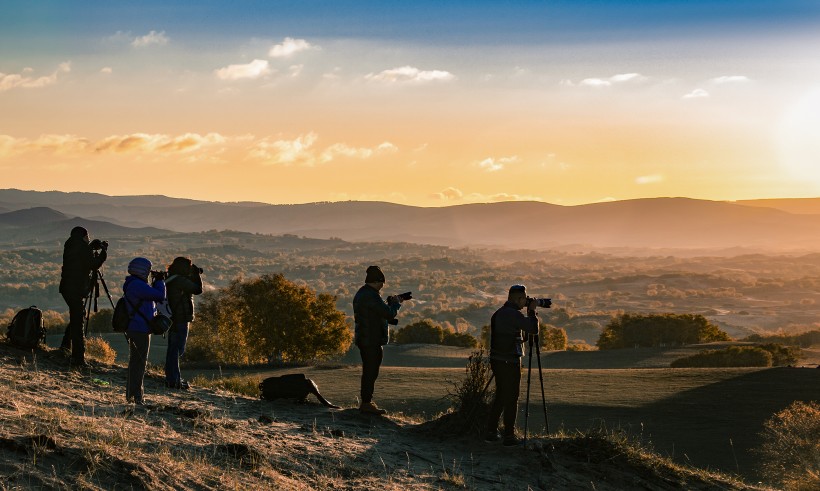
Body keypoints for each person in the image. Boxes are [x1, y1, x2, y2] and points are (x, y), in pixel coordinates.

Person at [485, 284, 540, 446]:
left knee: (501, 395)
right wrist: (532, 312)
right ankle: (509, 435)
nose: (525, 301)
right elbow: (533, 329)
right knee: (512, 397)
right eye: (524, 298)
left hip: (497, 359)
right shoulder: (513, 315)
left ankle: (491, 432)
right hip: (510, 360)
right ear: (517, 298)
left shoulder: (499, 313)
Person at [353, 265, 402, 415]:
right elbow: (388, 314)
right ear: (375, 281)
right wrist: (395, 304)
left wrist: (387, 304)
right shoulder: (371, 296)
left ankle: (366, 402)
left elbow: (375, 314)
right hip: (371, 340)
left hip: (366, 338)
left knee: (370, 371)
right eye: (381, 282)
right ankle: (366, 404)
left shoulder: (364, 294)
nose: (382, 285)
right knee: (371, 371)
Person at [59, 226, 107, 369]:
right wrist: (103, 252)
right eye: (88, 236)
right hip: (76, 288)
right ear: (83, 236)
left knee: (77, 315)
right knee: (78, 320)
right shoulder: (82, 248)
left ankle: (65, 347)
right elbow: (94, 264)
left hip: (67, 288)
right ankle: (78, 358)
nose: (89, 238)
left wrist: (90, 248)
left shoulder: (71, 245)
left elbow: (80, 259)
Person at [123, 257, 166, 406]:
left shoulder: (133, 284)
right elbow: (160, 296)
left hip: (136, 327)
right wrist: (160, 281)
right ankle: (136, 397)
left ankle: (133, 395)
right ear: (142, 270)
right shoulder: (138, 285)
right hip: (139, 328)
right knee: (139, 364)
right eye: (148, 270)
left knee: (136, 362)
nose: (149, 273)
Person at [163, 256, 203, 390]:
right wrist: (196, 275)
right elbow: (198, 289)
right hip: (180, 318)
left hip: (172, 318)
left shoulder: (171, 278)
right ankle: (174, 380)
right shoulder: (179, 280)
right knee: (177, 349)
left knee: (172, 349)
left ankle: (172, 378)